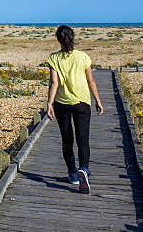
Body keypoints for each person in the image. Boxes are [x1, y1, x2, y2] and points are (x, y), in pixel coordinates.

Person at [46, 24, 104, 194]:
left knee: (67, 139)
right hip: (82, 103)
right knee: (83, 139)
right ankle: (84, 170)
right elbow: (91, 81)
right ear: (73, 38)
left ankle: (72, 173)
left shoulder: (53, 58)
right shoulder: (83, 57)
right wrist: (98, 101)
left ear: (58, 39)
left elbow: (54, 83)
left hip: (61, 103)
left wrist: (49, 104)